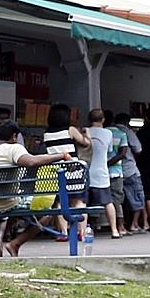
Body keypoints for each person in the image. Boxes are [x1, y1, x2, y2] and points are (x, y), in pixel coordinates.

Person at [0, 121, 71, 255]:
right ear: (14, 137)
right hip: (7, 202)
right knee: (47, 214)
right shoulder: (14, 148)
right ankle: (15, 244)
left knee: (6, 206)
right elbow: (32, 162)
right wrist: (61, 156)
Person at [42, 103, 91, 242]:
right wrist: (87, 133)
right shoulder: (70, 130)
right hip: (73, 170)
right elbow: (86, 142)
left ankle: (63, 232)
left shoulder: (47, 133)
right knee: (78, 201)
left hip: (56, 171)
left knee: (60, 201)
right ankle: (81, 232)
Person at [85, 109, 121, 238]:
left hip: (86, 173)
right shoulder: (108, 133)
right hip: (101, 172)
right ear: (103, 120)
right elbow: (110, 150)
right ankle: (114, 230)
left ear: (89, 120)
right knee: (107, 202)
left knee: (83, 204)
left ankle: (82, 232)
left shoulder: (84, 132)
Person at [113, 113, 146, 233]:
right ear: (127, 122)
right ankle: (134, 224)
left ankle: (120, 225)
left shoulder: (110, 132)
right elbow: (138, 149)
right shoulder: (128, 132)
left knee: (119, 199)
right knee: (137, 197)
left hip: (115, 170)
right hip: (130, 170)